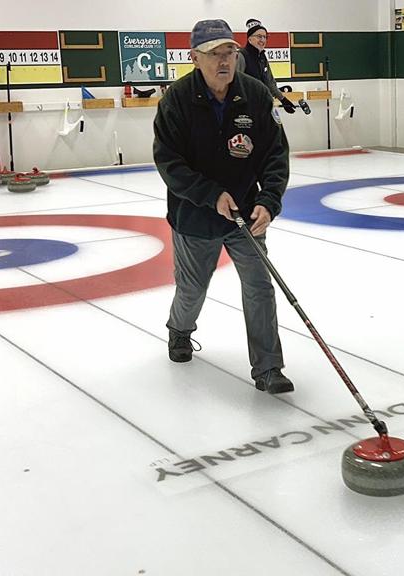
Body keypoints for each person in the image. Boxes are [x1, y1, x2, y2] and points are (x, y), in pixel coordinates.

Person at [153, 18, 294, 394]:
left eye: (229, 51)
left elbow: (275, 156)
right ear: (194, 57)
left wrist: (268, 200)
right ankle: (180, 330)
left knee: (259, 287)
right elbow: (170, 163)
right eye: (214, 53)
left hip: (245, 214)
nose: (224, 60)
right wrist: (210, 195)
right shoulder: (176, 100)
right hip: (195, 214)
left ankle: (268, 368)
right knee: (192, 288)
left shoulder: (255, 95)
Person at [238, 18, 297, 114]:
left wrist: (283, 100)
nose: (263, 40)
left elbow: (269, 82)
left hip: (263, 106)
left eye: (265, 37)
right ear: (250, 39)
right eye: (259, 36)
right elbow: (236, 84)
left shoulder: (262, 57)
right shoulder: (241, 56)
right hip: (247, 108)